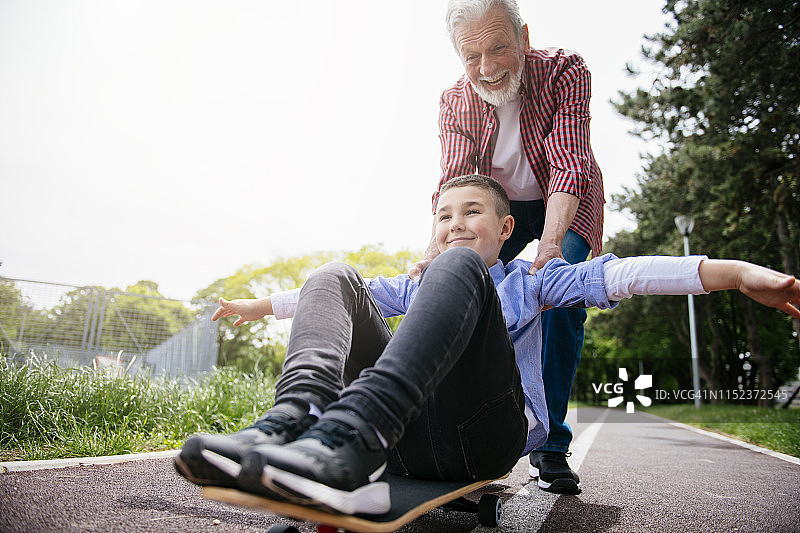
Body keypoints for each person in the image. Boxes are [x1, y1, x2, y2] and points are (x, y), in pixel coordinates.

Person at [175, 175, 800, 515]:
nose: (455, 226)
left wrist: (736, 272)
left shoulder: (533, 279)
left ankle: (357, 434)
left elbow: (624, 274)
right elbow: (332, 299)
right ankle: (296, 420)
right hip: (408, 437)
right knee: (333, 275)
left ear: (505, 229)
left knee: (457, 271)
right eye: (444, 216)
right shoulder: (420, 279)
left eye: (472, 213)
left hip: (484, 435)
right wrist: (259, 305)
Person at [409, 0, 606, 493]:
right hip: (497, 207)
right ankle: (453, 428)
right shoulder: (456, 99)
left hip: (566, 197)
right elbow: (456, 182)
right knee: (457, 289)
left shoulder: (565, 70)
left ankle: (552, 445)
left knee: (560, 300)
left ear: (523, 35)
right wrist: (436, 256)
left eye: (499, 47)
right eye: (470, 55)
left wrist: (551, 247)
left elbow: (567, 161)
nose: (487, 68)